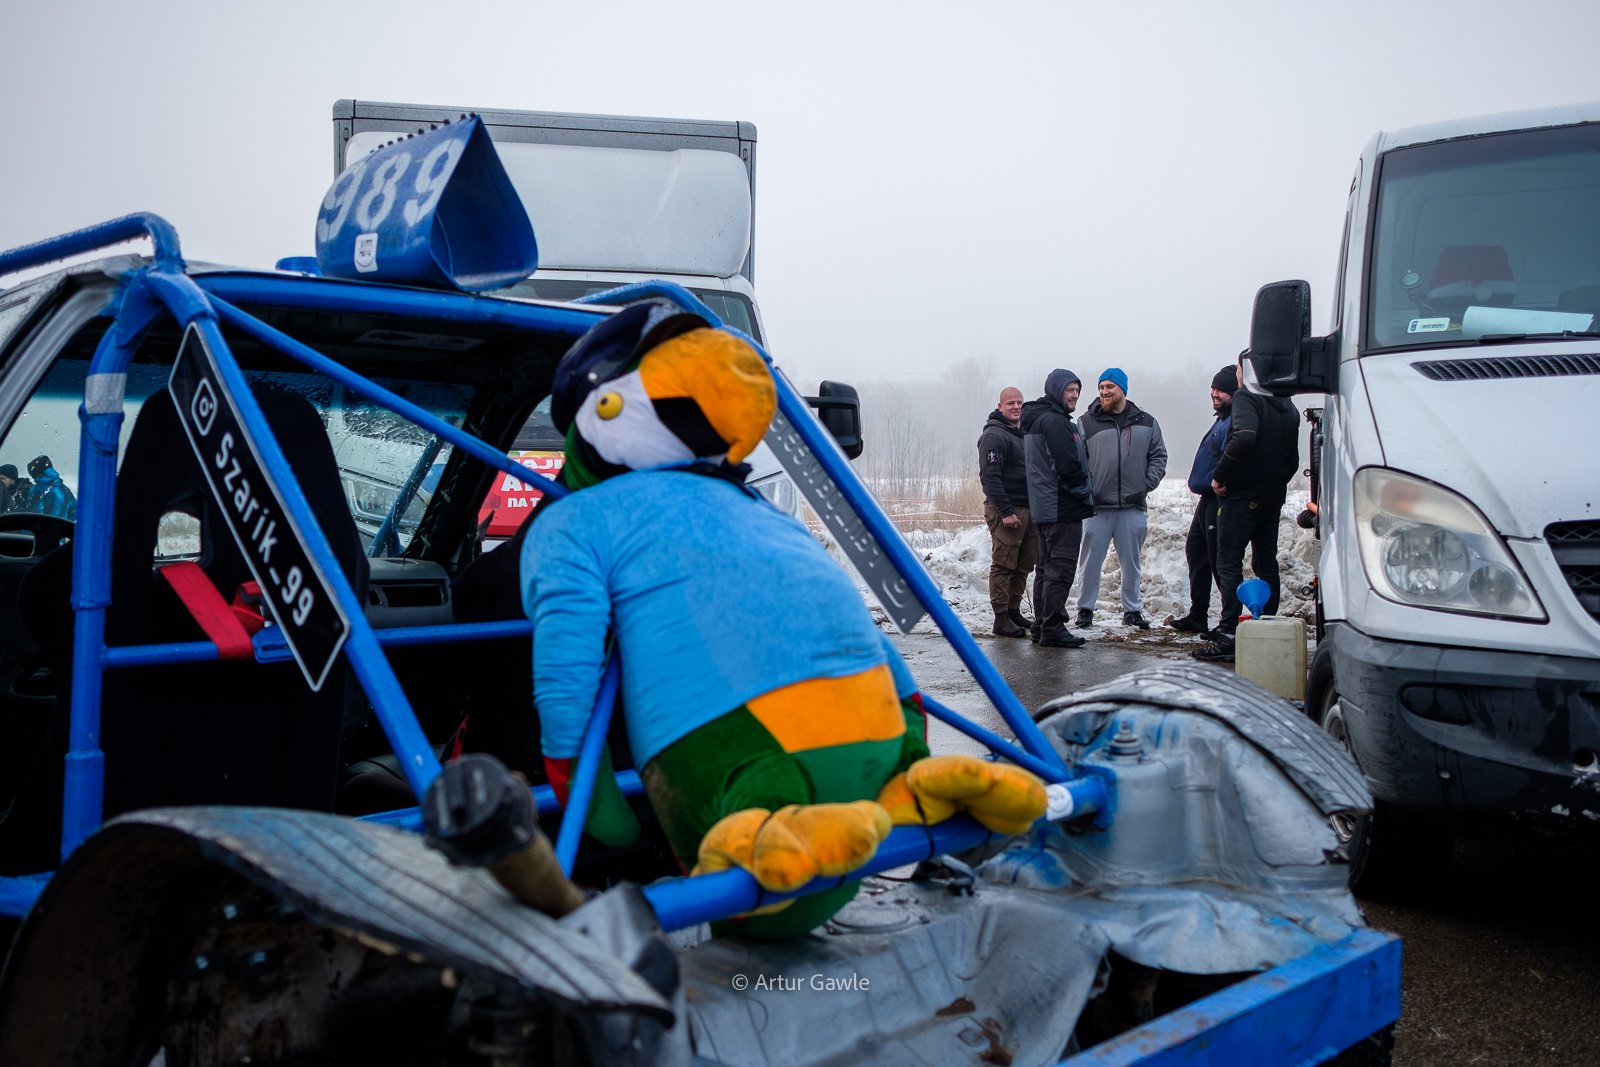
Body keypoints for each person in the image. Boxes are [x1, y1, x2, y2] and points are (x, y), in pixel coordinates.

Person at [523, 303, 1045, 938]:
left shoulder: (574, 522)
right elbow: (837, 607)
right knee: (860, 774)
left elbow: (566, 671)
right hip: (878, 717)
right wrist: (906, 706)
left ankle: (767, 830)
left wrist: (591, 797)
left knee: (751, 842)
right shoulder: (759, 511)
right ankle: (910, 781)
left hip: (750, 756)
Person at [1194, 352, 1301, 662]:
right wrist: (1274, 485)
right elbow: (1292, 460)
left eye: (1239, 367)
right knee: (1265, 562)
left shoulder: (1247, 398)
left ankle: (1229, 633)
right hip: (1271, 499)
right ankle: (1265, 626)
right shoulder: (1286, 403)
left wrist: (1220, 476)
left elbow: (1243, 438)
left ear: (1247, 369)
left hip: (1241, 500)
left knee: (1228, 562)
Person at [1074, 368, 1167, 629]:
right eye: (1101, 386)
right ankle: (1084, 609)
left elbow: (1159, 456)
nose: (1104, 391)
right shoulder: (1086, 422)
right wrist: (1087, 488)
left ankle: (1132, 610)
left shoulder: (1147, 422)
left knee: (1131, 563)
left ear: (1123, 390)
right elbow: (1078, 460)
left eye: (1110, 387)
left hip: (1132, 506)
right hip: (1096, 507)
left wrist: (1146, 484)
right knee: (1090, 561)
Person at [1020, 369, 1094, 648]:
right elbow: (1068, 466)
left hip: (1045, 506)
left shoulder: (1039, 419)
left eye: (1077, 390)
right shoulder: (1055, 422)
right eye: (1069, 390)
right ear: (1055, 390)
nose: (1074, 395)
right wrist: (1083, 491)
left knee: (1045, 569)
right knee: (1059, 569)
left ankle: (1041, 625)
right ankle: (1052, 627)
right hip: (1061, 507)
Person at [1165, 365, 1238, 634]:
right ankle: (1198, 614)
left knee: (1219, 561)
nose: (1214, 393)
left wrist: (1222, 481)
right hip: (1205, 500)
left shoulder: (1234, 420)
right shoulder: (1221, 419)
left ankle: (1230, 622)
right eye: (1213, 388)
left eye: (1220, 389)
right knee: (1197, 553)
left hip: (1219, 499)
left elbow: (1236, 456)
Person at [977, 386, 1037, 638]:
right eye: (1010, 403)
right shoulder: (994, 435)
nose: (1015, 407)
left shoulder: (1022, 434)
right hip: (1007, 511)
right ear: (1000, 406)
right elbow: (990, 477)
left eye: (1019, 403)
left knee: (1023, 565)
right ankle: (1000, 618)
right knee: (1003, 565)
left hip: (1029, 509)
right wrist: (1006, 511)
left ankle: (1014, 612)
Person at [25, 455, 76, 521]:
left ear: (36, 473)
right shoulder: (65, 490)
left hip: (46, 530)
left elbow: (32, 517)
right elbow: (75, 513)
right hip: (65, 529)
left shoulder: (38, 490)